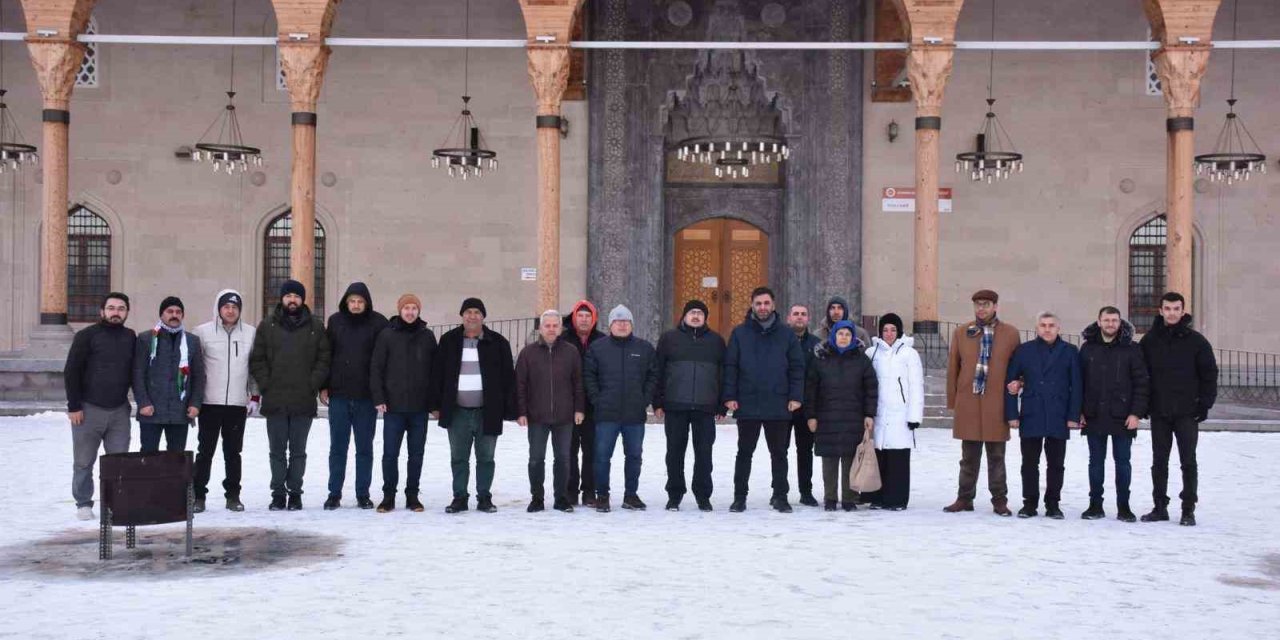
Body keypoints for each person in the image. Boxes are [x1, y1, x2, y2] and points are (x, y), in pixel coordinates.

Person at [249, 279, 331, 511]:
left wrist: (312, 384)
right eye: (288, 296)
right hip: (275, 399)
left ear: (302, 299)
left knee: (298, 452)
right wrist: (266, 385)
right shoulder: (267, 326)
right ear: (282, 299)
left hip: (302, 399)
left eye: (296, 296)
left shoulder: (316, 326)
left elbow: (324, 359)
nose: (292, 300)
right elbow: (257, 360)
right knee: (276, 452)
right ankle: (278, 494)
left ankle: (295, 493)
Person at [722, 286, 805, 513]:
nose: (762, 307)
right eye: (758, 303)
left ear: (773, 305)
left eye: (766, 303)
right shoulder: (740, 333)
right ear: (752, 305)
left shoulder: (786, 334)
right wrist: (729, 396)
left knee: (779, 454)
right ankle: (739, 497)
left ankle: (780, 496)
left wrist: (795, 396)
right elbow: (731, 366)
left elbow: (797, 367)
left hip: (778, 402)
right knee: (744, 453)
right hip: (748, 401)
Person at [1139, 292, 1217, 526]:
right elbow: (1141, 375)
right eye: (1167, 308)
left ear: (1183, 311)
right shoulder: (1149, 341)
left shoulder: (1197, 342)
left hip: (1187, 412)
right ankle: (1159, 507)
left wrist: (1204, 404)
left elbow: (1209, 375)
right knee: (1159, 462)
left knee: (1188, 462)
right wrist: (1144, 405)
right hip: (1159, 412)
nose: (1172, 313)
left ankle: (1188, 510)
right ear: (1160, 311)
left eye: (1176, 309)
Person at [434, 297, 517, 514]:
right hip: (457, 411)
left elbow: (508, 378)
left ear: (483, 317)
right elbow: (437, 375)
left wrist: (509, 409)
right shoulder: (449, 341)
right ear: (462, 315)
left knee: (486, 457)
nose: (472, 316)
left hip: (487, 411)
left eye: (477, 312)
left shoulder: (498, 342)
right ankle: (459, 497)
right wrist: (436, 405)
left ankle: (484, 497)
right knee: (458, 458)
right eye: (468, 312)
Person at [944, 289, 1020, 516]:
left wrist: (1018, 386)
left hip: (996, 403)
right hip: (969, 402)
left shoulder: (1010, 333)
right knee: (968, 457)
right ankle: (964, 498)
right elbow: (953, 367)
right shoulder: (961, 332)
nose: (981, 308)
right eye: (978, 304)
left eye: (986, 304)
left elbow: (1018, 367)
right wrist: (953, 400)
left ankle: (999, 500)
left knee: (996, 456)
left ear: (995, 306)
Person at [64, 292, 136, 521]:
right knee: (84, 461)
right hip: (88, 410)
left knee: (118, 461)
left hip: (119, 411)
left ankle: (114, 502)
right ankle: (83, 502)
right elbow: (71, 371)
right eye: (111, 308)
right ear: (102, 311)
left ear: (127, 312)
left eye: (121, 309)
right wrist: (74, 406)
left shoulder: (130, 337)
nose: (116, 312)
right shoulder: (86, 336)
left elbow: (135, 371)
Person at [1004, 312, 1082, 520]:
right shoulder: (1024, 350)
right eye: (1043, 325)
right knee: (1029, 463)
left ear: (1059, 328)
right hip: (1032, 411)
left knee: (1056, 463)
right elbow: (1010, 383)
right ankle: (1029, 503)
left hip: (1059, 413)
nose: (1047, 329)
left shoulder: (1070, 351)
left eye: (1051, 325)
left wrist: (1073, 415)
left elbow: (1077, 386)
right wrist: (1012, 414)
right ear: (1037, 328)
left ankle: (1053, 503)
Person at [1078, 306, 1149, 522]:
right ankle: (1095, 505)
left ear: (1120, 322)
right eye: (1106, 320)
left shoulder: (1132, 349)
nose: (1110, 324)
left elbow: (1142, 383)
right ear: (1099, 321)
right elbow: (1079, 382)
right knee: (1095, 463)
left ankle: (1124, 507)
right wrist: (1079, 411)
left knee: (1123, 463)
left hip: (1123, 415)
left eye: (1114, 320)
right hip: (1093, 414)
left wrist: (1136, 413)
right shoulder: (1088, 348)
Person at [653, 299, 726, 512]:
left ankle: (703, 496)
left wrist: (722, 404)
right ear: (684, 316)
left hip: (705, 406)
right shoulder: (669, 339)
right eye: (692, 312)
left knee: (704, 454)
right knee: (674, 453)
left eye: (700, 313)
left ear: (705, 318)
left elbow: (724, 374)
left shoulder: (716, 341)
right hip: (676, 405)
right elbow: (658, 371)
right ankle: (674, 495)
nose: (695, 316)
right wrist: (657, 401)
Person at [322, 282, 388, 510]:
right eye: (352, 301)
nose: (356, 305)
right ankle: (334, 493)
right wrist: (324, 386)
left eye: (360, 301)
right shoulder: (335, 321)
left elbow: (383, 360)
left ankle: (363, 493)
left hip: (366, 397)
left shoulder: (378, 323)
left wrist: (380, 393)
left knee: (364, 448)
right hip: (339, 395)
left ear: (367, 303)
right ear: (346, 302)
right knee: (338, 448)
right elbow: (327, 355)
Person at [370, 294, 438, 513]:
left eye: (414, 308)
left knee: (416, 455)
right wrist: (379, 398)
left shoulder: (427, 336)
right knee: (390, 454)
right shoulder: (387, 335)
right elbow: (376, 368)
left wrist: (433, 403)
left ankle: (412, 496)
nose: (410, 312)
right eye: (406, 308)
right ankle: (388, 496)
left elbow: (435, 371)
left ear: (419, 311)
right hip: (393, 407)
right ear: (400, 310)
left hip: (419, 408)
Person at [193, 289, 258, 513]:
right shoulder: (203, 332)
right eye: (226, 307)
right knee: (205, 451)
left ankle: (233, 496)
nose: (230, 311)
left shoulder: (250, 333)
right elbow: (196, 369)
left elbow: (253, 368)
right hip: (210, 403)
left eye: (235, 307)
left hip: (237, 404)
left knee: (233, 453)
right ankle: (198, 495)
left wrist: (254, 396)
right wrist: (195, 399)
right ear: (218, 309)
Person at [804, 320, 878, 511]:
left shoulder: (861, 360)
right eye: (840, 334)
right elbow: (811, 389)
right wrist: (811, 415)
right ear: (833, 335)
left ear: (853, 337)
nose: (843, 338)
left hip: (853, 417)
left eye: (847, 334)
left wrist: (869, 414)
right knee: (829, 459)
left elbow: (870, 388)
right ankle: (830, 498)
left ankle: (848, 498)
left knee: (850, 459)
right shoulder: (821, 359)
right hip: (826, 417)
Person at [516, 310, 585, 513]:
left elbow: (578, 383)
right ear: (540, 328)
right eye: (547, 325)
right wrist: (521, 411)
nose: (551, 329)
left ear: (561, 328)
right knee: (536, 459)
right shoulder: (528, 353)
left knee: (563, 459)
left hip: (565, 416)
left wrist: (579, 408)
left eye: (555, 326)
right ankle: (537, 498)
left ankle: (561, 498)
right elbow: (520, 385)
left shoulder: (571, 352)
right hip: (536, 416)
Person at [862, 313, 924, 511]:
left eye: (893, 330)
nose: (889, 334)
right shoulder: (871, 353)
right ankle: (876, 497)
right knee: (878, 456)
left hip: (900, 415)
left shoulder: (909, 354)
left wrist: (914, 416)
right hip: (878, 413)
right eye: (885, 330)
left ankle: (896, 499)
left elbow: (916, 386)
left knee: (897, 458)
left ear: (899, 332)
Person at [132, 296, 204, 453]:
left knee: (176, 457)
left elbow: (199, 376)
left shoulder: (191, 341)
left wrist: (195, 404)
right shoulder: (146, 339)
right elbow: (138, 373)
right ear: (161, 314)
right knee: (148, 456)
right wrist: (143, 403)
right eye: (170, 311)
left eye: (178, 312)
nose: (174, 315)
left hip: (180, 410)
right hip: (151, 410)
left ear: (182, 315)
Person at [558, 300, 605, 507]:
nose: (584, 320)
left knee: (591, 450)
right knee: (569, 449)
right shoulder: (563, 340)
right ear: (574, 317)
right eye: (580, 315)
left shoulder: (602, 341)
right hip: (568, 404)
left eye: (588, 316)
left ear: (593, 319)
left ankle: (589, 491)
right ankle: (570, 491)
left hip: (594, 405)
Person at [786, 303, 822, 507]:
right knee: (779, 451)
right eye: (796, 314)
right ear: (789, 318)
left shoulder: (816, 344)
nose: (799, 317)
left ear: (808, 319)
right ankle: (779, 491)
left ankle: (806, 491)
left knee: (805, 450)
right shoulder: (780, 341)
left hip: (807, 407)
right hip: (784, 405)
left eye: (803, 314)